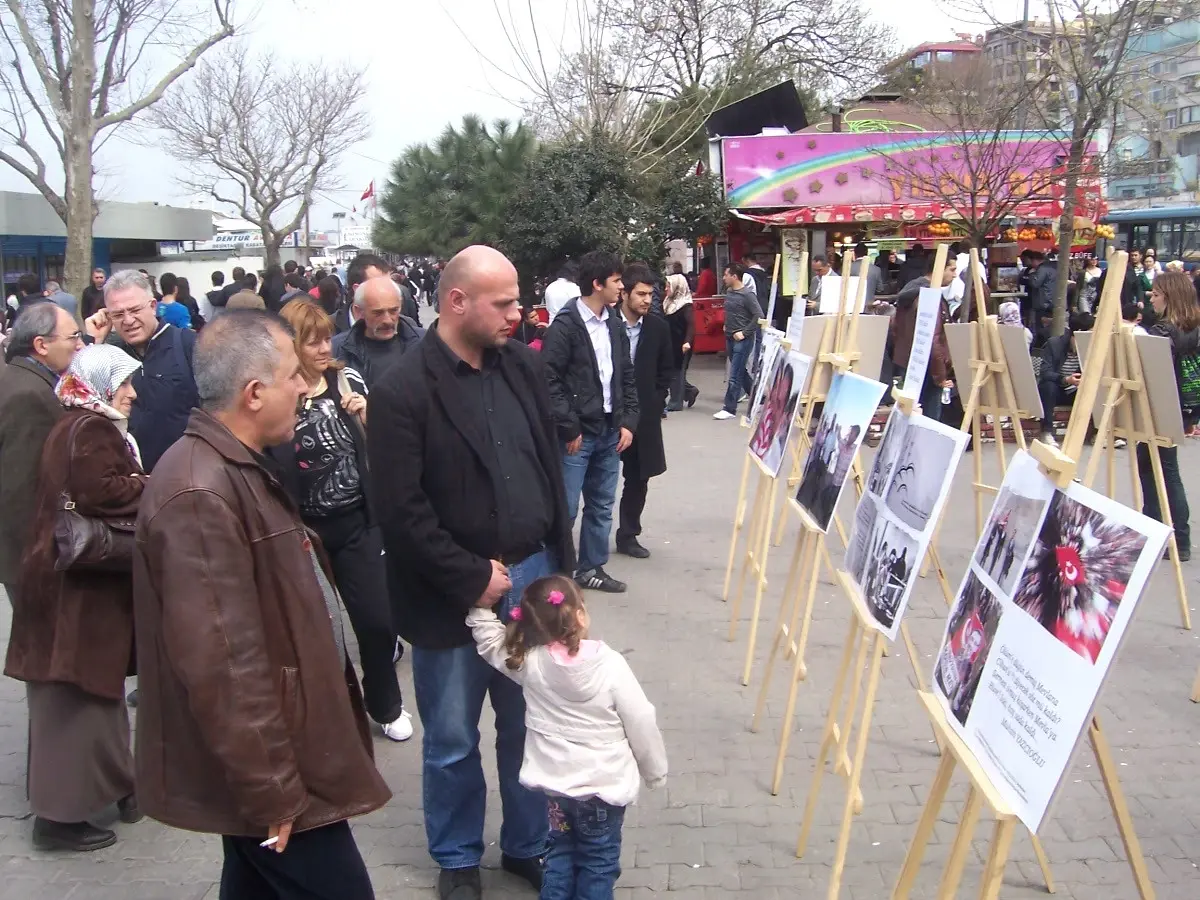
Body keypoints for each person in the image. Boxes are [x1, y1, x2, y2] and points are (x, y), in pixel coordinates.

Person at [133, 310, 391, 900]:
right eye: (292, 375)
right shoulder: (200, 490)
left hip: (276, 756)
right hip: (277, 770)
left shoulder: (234, 465)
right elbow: (222, 664)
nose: (304, 386)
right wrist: (271, 787)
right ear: (253, 393)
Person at [368, 245, 575, 900]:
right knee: (454, 736)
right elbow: (399, 509)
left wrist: (558, 566)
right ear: (457, 302)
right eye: (504, 302)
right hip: (451, 595)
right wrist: (467, 575)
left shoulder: (522, 366)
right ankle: (457, 856)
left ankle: (526, 844)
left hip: (533, 580)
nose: (519, 313)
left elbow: (545, 464)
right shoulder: (403, 389)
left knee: (530, 723)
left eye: (518, 300)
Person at [4, 344, 145, 851]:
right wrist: (147, 484)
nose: (131, 393)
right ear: (101, 384)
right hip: (75, 592)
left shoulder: (75, 421)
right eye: (123, 382)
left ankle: (116, 789)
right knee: (74, 700)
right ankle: (58, 819)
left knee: (90, 696)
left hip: (68, 588)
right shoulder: (91, 428)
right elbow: (99, 491)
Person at [466, 575, 667, 897]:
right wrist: (654, 771)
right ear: (580, 615)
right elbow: (641, 718)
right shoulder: (610, 665)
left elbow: (494, 647)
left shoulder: (531, 662)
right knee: (598, 861)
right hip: (602, 792)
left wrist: (480, 612)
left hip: (556, 789)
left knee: (559, 855)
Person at [271, 301, 412, 742]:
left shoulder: (345, 379)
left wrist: (367, 414)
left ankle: (385, 704)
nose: (323, 348)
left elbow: (382, 441)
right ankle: (333, 712)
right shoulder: (277, 392)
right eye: (311, 341)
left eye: (325, 338)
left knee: (377, 620)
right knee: (317, 632)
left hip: (356, 523)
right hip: (303, 532)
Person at [543, 249, 639, 593]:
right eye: (617, 281)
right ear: (597, 284)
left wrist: (629, 420)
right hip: (578, 436)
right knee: (566, 507)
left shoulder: (613, 322)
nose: (622, 287)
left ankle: (591, 568)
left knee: (601, 505)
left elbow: (626, 373)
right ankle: (555, 574)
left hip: (611, 430)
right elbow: (549, 379)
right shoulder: (566, 325)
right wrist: (569, 426)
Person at [0, 303, 82, 601]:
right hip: (32, 561)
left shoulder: (22, 379)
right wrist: (39, 559)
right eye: (73, 337)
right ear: (41, 345)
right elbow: (21, 489)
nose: (79, 345)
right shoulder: (29, 394)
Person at [84, 269, 200, 472]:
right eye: (118, 314)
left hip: (186, 476)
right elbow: (79, 399)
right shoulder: (109, 354)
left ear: (153, 306)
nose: (128, 321)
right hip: (130, 480)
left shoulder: (189, 345)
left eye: (135, 310)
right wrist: (95, 341)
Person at [615, 263, 673, 559]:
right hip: (608, 413)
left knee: (638, 479)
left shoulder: (657, 328)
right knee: (596, 480)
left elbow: (666, 371)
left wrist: (655, 401)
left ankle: (628, 535)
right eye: (641, 294)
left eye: (650, 294)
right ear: (624, 293)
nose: (647, 300)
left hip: (643, 417)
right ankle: (588, 540)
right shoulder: (606, 323)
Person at [1142, 272, 1199, 561]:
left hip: (1158, 405)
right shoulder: (1195, 327)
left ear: (1170, 296)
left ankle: (1162, 535)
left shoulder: (1162, 330)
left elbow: (1150, 371)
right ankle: (1179, 538)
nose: (1151, 299)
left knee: (1155, 470)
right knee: (1167, 469)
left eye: (1155, 294)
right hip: (1185, 405)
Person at [889, 253, 953, 421]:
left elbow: (896, 328)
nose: (954, 275)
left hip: (910, 363)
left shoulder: (911, 290)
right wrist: (940, 375)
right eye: (952, 269)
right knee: (928, 422)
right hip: (928, 369)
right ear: (939, 269)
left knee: (910, 417)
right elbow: (934, 339)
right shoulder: (929, 297)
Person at [334, 276, 424, 389]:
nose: (387, 320)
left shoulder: (425, 343)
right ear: (359, 311)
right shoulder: (337, 350)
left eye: (393, 311)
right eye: (378, 313)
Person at [714, 262, 764, 421]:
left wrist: (745, 332)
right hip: (729, 336)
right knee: (740, 370)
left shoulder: (747, 295)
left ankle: (729, 408)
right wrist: (726, 324)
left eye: (726, 275)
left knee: (734, 374)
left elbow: (759, 315)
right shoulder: (729, 292)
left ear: (734, 276)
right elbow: (730, 311)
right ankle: (759, 398)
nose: (723, 278)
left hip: (742, 339)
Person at [1036, 310, 1094, 446]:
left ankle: (1098, 433)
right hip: (1057, 389)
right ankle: (1046, 432)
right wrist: (1066, 379)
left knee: (1096, 389)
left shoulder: (1091, 348)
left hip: (1075, 390)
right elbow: (1045, 372)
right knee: (1048, 386)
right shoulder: (1055, 344)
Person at [664, 262, 698, 411]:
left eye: (668, 286)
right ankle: (689, 391)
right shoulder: (669, 302)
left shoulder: (685, 305)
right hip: (671, 341)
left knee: (677, 372)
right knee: (672, 371)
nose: (666, 289)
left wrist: (687, 342)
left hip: (682, 343)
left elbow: (691, 325)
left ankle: (675, 402)